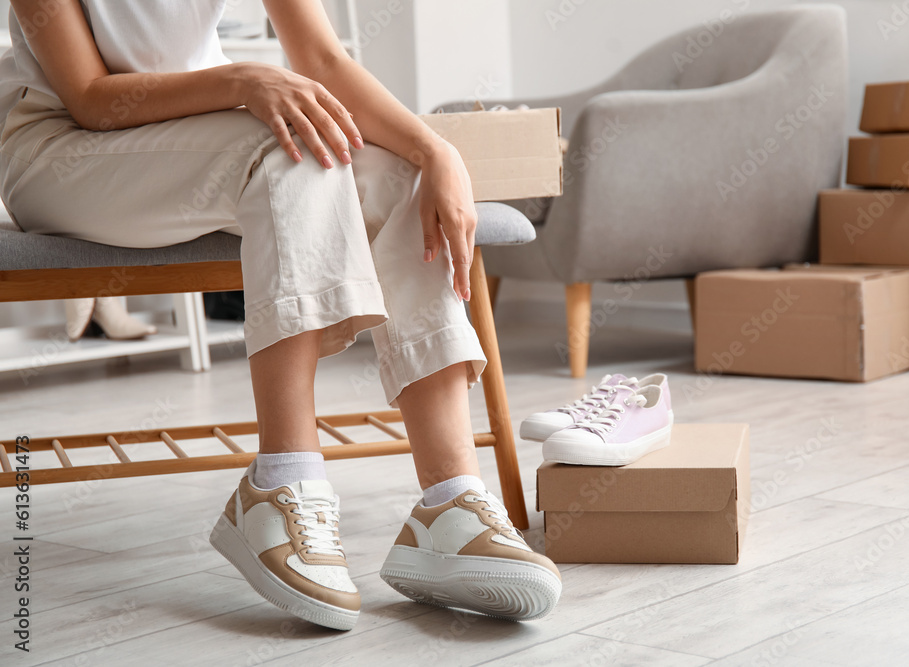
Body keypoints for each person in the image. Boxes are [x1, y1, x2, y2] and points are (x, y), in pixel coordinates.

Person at [0, 0, 561, 630]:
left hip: (203, 130)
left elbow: (322, 57)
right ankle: (279, 482)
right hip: (63, 151)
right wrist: (244, 79)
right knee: (291, 148)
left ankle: (449, 507)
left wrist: (437, 152)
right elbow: (92, 97)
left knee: (398, 174)